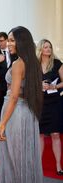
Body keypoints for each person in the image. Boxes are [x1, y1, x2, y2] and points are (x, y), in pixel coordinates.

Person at [0, 26, 43, 183]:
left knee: (12, 157)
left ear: (21, 42)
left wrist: (2, 124)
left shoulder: (18, 64)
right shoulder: (33, 62)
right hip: (28, 113)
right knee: (26, 156)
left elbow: (14, 96)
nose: (8, 44)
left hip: (15, 113)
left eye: (11, 40)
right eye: (8, 40)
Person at [36, 39, 63, 175]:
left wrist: (53, 86)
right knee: (40, 134)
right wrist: (38, 86)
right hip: (40, 103)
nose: (48, 49)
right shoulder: (34, 65)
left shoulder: (57, 63)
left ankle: (58, 166)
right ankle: (38, 165)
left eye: (50, 47)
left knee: (55, 134)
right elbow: (29, 83)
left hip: (55, 102)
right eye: (45, 47)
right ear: (40, 49)